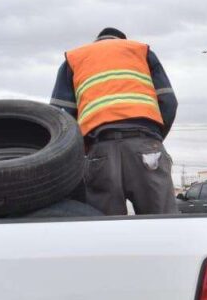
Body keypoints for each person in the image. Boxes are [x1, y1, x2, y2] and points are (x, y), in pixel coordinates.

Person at [50, 27, 178, 215]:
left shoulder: (75, 59)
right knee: (162, 223)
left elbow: (61, 117)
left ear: (97, 41)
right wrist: (154, 140)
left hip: (100, 151)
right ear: (123, 41)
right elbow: (168, 102)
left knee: (105, 230)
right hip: (146, 147)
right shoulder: (140, 51)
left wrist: (84, 151)